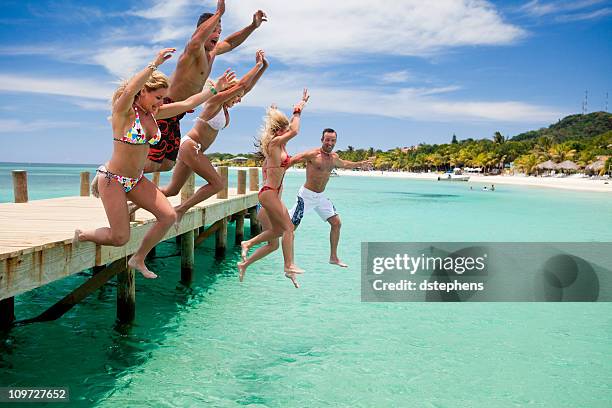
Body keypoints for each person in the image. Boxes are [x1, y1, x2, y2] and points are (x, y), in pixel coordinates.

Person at [74, 48, 234, 279]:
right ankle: (83, 234)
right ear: (143, 92)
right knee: (120, 238)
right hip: (112, 180)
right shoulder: (124, 113)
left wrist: (213, 89)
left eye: (163, 98)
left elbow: (188, 102)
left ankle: (138, 259)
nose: (161, 102)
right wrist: (154, 64)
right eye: (157, 97)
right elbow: (129, 90)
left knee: (168, 216)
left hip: (136, 180)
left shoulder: (154, 114)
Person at [145, 0, 267, 173]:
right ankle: (119, 174)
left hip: (177, 114)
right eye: (213, 29)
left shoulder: (213, 52)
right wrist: (218, 13)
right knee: (154, 161)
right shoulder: (193, 51)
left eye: (219, 30)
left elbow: (231, 43)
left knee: (167, 164)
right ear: (201, 31)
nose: (217, 34)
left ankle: (127, 176)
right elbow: (196, 40)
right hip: (166, 107)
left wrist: (253, 26)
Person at [159, 50, 269, 224]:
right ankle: (180, 210)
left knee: (172, 190)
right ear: (228, 91)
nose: (239, 100)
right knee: (217, 184)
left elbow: (245, 88)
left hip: (192, 148)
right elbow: (241, 87)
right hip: (191, 146)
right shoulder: (214, 102)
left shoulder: (224, 108)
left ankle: (133, 204)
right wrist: (256, 66)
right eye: (236, 97)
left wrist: (263, 68)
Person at [238, 90, 310, 288]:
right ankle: (289, 266)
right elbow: (295, 130)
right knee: (289, 229)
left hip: (272, 197)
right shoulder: (274, 143)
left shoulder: (279, 147)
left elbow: (283, 163)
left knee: (276, 239)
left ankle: (246, 256)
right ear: (278, 131)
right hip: (269, 195)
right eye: (283, 129)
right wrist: (299, 108)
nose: (287, 132)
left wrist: (276, 112)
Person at [287, 129, 372, 268]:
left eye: (333, 140)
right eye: (327, 140)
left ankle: (333, 257)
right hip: (306, 196)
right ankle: (289, 263)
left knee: (336, 223)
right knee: (290, 228)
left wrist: (361, 163)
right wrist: (275, 177)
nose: (330, 143)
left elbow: (345, 164)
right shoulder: (312, 154)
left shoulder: (334, 157)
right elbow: (291, 161)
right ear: (322, 140)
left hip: (320, 197)